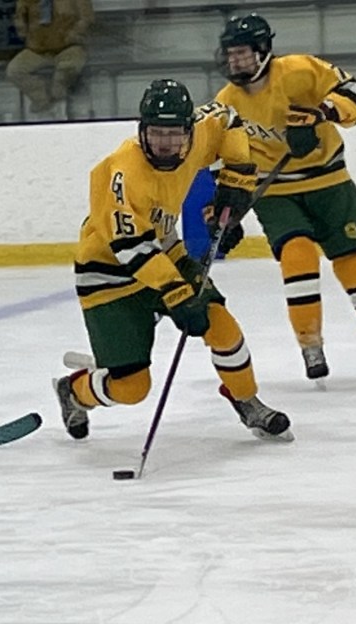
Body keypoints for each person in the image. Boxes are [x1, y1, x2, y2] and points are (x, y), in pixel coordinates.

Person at [55, 79, 293, 443]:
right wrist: (177, 294)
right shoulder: (123, 173)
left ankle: (247, 400)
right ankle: (74, 392)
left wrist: (234, 185)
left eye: (174, 133)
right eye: (156, 133)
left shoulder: (201, 132)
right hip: (108, 273)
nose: (165, 143)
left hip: (166, 253)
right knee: (132, 388)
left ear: (189, 129)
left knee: (222, 326)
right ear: (142, 131)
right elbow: (132, 248)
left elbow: (229, 119)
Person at [212, 13, 356, 381]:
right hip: (275, 190)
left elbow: (354, 93)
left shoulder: (300, 70)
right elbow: (224, 157)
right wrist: (226, 208)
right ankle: (310, 343)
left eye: (242, 53)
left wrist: (321, 114)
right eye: (230, 54)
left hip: (329, 180)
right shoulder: (226, 102)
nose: (235, 61)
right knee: (297, 255)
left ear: (263, 50)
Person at [5, 0, 93, 119]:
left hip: (69, 47)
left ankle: (59, 98)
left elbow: (87, 18)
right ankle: (43, 100)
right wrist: (22, 26)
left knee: (67, 68)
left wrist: (74, 33)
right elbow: (20, 22)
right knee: (14, 70)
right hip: (37, 49)